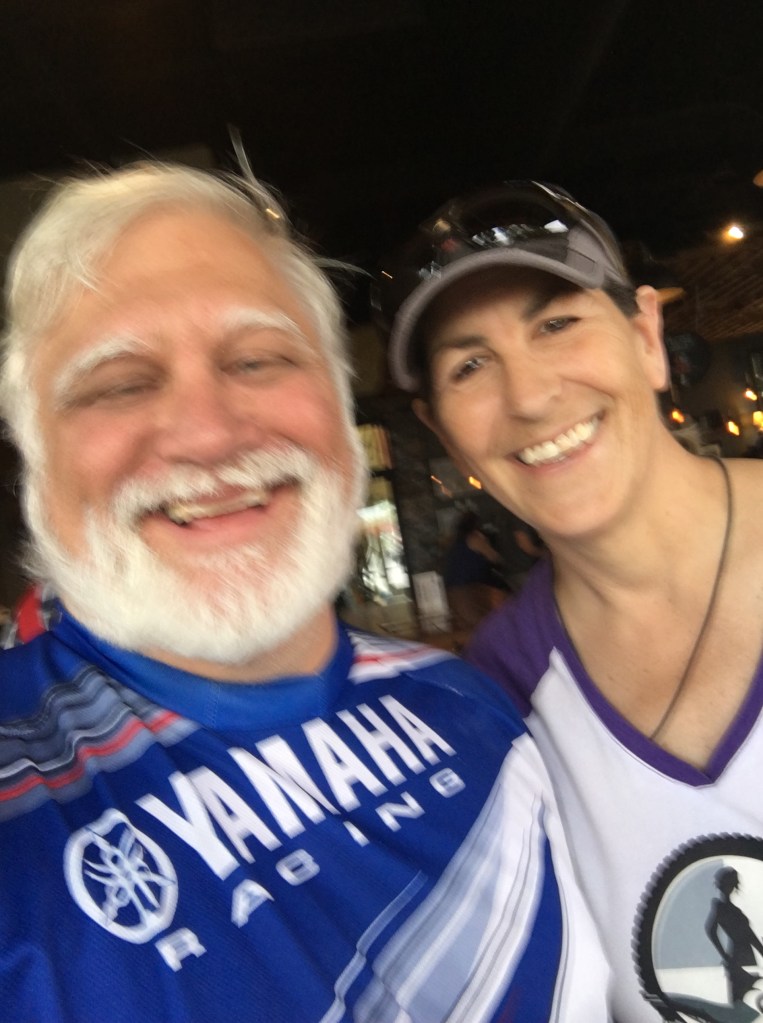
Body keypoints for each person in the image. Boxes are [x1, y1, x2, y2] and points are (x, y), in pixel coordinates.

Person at [0, 164, 610, 1022]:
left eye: (256, 359)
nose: (208, 433)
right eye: (120, 384)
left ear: (336, 396)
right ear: (35, 454)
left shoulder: (473, 703)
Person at [377, 180, 763, 1022]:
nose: (528, 394)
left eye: (555, 323)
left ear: (646, 336)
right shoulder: (501, 692)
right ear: (445, 436)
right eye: (469, 364)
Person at [442, 509, 506, 640]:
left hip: (452, 589)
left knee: (467, 626)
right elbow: (494, 557)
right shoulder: (474, 539)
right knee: (480, 625)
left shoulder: (454, 541)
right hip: (468, 589)